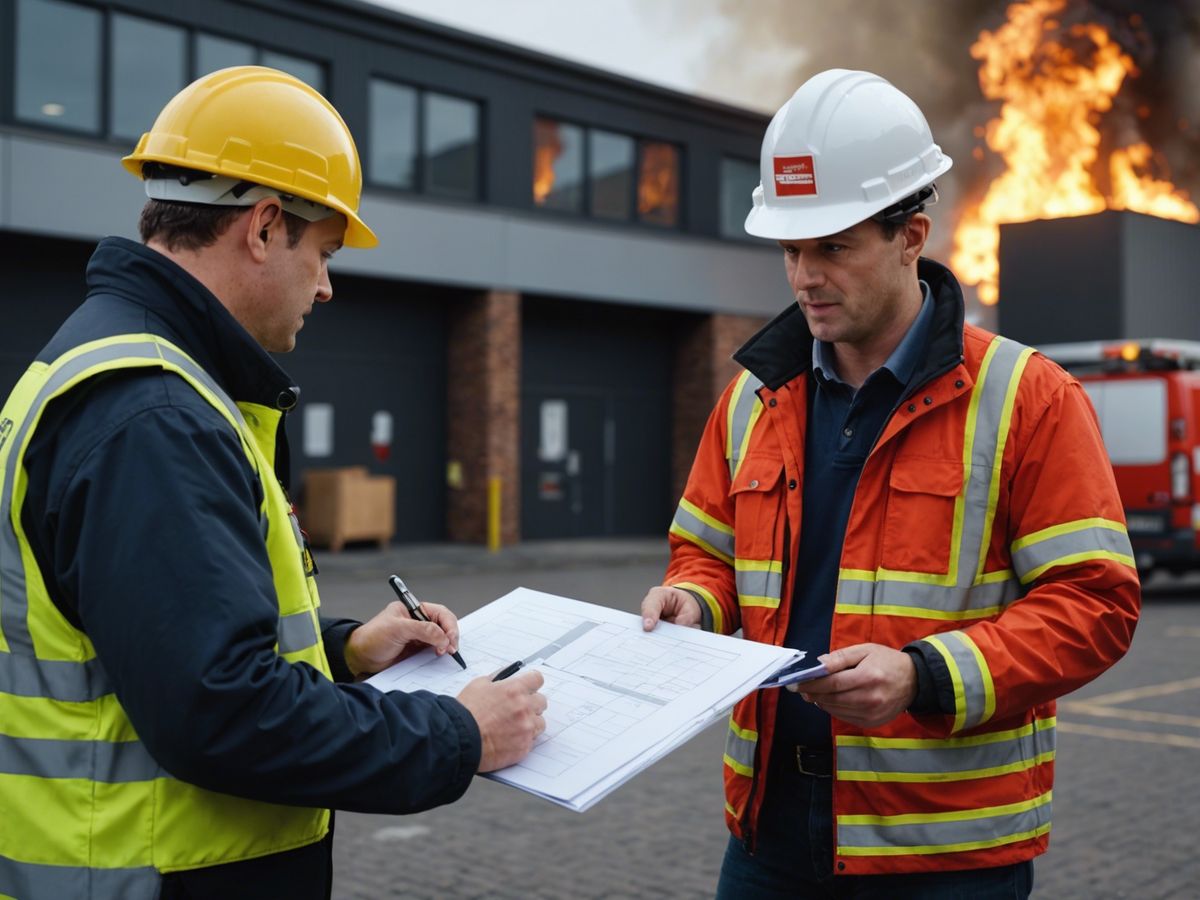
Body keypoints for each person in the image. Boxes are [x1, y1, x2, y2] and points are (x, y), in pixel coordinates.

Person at [0, 66, 547, 900]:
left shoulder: (130, 374)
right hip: (150, 878)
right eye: (323, 251)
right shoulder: (156, 414)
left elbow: (153, 638)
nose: (327, 285)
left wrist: (342, 650)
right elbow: (222, 713)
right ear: (262, 227)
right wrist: (457, 733)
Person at [641, 68, 1139, 898]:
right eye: (791, 250)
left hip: (941, 857)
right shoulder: (750, 401)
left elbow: (1095, 603)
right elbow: (706, 555)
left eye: (833, 248)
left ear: (912, 234)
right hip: (768, 832)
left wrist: (922, 676)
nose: (804, 277)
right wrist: (693, 603)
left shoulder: (1028, 397)